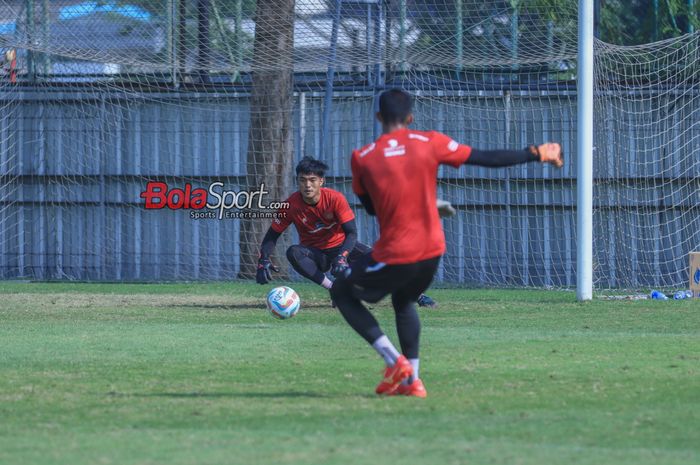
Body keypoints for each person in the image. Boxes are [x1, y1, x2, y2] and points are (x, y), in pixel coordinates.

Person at [330, 89, 563, 398]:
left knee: (341, 291)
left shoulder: (363, 157)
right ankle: (413, 382)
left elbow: (373, 208)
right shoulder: (431, 142)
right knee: (404, 301)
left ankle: (396, 362)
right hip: (433, 252)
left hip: (398, 252)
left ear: (378, 118)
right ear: (411, 118)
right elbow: (484, 158)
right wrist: (535, 152)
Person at [255, 157, 437, 307]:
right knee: (293, 252)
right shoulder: (290, 205)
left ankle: (418, 295)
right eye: (302, 180)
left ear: (321, 181)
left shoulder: (335, 199)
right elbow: (272, 235)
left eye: (312, 180)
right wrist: (263, 260)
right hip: (316, 254)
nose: (307, 185)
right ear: (298, 182)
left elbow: (351, 233)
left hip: (343, 247)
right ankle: (335, 289)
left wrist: (342, 256)